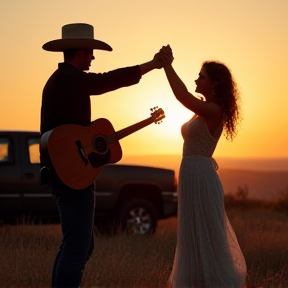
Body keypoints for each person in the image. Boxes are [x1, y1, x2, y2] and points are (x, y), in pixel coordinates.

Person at [40, 23, 164, 288]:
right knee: (77, 248)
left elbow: (71, 134)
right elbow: (106, 81)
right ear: (80, 53)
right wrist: (151, 65)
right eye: (91, 52)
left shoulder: (62, 80)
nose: (93, 58)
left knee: (78, 246)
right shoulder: (69, 79)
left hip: (67, 172)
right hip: (71, 175)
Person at [158, 45, 247, 288]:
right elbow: (188, 100)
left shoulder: (213, 110)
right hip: (191, 174)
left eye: (202, 76)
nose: (197, 78)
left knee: (207, 233)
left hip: (201, 176)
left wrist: (167, 65)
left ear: (214, 83)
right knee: (193, 233)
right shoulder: (203, 108)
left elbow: (182, 96)